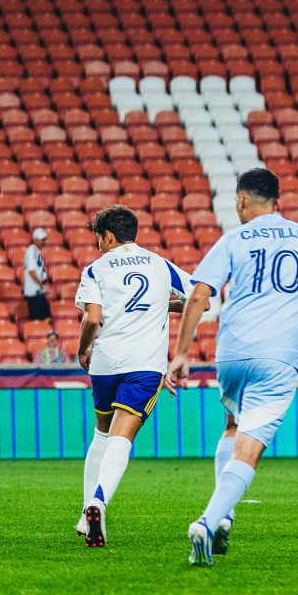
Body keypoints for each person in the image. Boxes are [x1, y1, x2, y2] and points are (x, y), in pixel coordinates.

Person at [167, 167, 298, 566]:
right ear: (277, 203)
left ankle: (224, 516)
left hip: (231, 354)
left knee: (232, 426)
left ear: (242, 200)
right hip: (279, 357)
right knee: (250, 448)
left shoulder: (233, 239)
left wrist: (180, 354)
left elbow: (199, 295)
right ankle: (208, 521)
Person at [74, 205, 190, 547]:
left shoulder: (95, 269)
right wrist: (163, 304)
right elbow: (200, 297)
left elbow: (92, 318)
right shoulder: (159, 263)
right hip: (144, 365)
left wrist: (83, 349)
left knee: (102, 432)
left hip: (106, 364)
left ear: (108, 236)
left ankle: (85, 514)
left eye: (98, 237)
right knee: (122, 439)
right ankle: (98, 502)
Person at [23, 227, 51, 320]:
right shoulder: (32, 251)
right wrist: (42, 286)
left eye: (44, 239)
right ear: (35, 239)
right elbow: (31, 271)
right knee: (37, 320)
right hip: (34, 293)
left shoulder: (36, 251)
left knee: (47, 318)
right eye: (41, 239)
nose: (43, 242)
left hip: (39, 292)